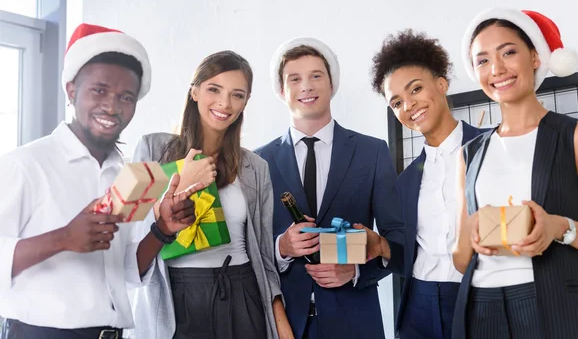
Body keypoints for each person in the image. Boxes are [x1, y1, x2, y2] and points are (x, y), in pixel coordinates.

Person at [0, 23, 198, 339]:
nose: (112, 106)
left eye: (126, 97)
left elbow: (122, 271)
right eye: (100, 90)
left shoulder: (126, 174)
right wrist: (63, 238)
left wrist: (162, 230)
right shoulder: (25, 164)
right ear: (71, 90)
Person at [452, 8, 578, 339]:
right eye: (483, 60)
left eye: (508, 52)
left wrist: (560, 227)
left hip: (555, 307)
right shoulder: (469, 154)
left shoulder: (576, 137)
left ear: (535, 57)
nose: (497, 69)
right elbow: (461, 260)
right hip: (481, 307)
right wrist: (473, 236)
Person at [128, 50, 291, 339]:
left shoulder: (256, 167)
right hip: (174, 298)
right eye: (214, 89)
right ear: (194, 91)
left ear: (246, 102)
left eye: (237, 95)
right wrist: (177, 186)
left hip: (243, 294)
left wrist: (281, 324)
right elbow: (124, 230)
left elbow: (265, 258)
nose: (224, 103)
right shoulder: (149, 148)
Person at [255, 38, 402, 339]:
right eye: (295, 79)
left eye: (316, 76)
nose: (306, 86)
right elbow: (248, 248)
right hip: (285, 327)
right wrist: (281, 248)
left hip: (356, 322)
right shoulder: (257, 162)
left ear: (332, 84)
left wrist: (357, 271)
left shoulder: (372, 152)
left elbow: (397, 240)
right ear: (282, 91)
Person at [359, 29, 485, 338]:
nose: (409, 105)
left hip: (482, 298)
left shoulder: (491, 148)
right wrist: (382, 246)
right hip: (419, 306)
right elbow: (412, 257)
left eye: (416, 89)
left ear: (441, 84)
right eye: (397, 102)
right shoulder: (405, 182)